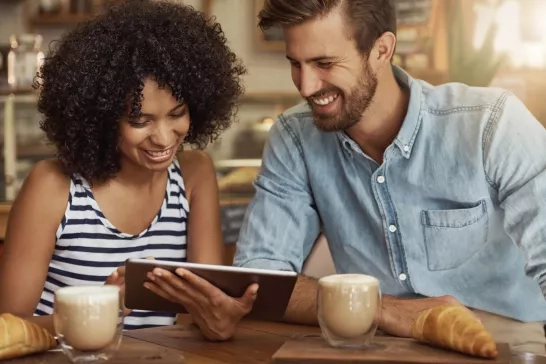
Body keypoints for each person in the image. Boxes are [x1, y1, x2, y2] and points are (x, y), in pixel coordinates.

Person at [152, 0, 546, 354]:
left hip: (508, 345)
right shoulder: (295, 139)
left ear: (382, 49)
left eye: (324, 64)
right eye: (295, 63)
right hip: (378, 348)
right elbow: (262, 282)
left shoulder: (491, 125)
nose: (306, 86)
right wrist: (387, 310)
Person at [0, 0, 250, 334]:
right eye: (140, 120)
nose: (163, 138)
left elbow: (205, 311)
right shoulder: (53, 187)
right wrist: (97, 310)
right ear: (102, 118)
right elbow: (9, 330)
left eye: (176, 114)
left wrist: (221, 317)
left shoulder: (194, 175)